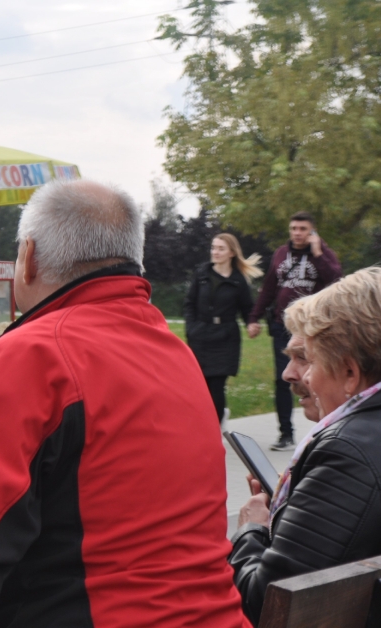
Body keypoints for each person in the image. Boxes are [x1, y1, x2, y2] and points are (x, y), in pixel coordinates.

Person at [0, 180, 248, 627]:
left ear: (29, 256)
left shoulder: (29, 356)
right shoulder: (176, 355)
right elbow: (86, 462)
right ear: (134, 259)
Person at [230, 267, 381, 626]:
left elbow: (264, 602)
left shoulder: (345, 453)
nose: (300, 376)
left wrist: (251, 529)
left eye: (311, 360)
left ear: (350, 373)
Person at [247, 212, 341, 450]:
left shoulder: (324, 254)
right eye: (294, 228)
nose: (297, 233)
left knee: (317, 378)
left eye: (303, 229)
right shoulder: (281, 253)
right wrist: (254, 317)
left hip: (312, 328)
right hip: (282, 325)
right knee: (284, 379)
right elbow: (269, 287)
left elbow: (335, 281)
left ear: (312, 231)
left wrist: (317, 253)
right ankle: (286, 434)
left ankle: (326, 427)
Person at [184, 233, 262, 423]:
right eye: (213, 247)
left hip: (225, 339)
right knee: (201, 386)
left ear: (231, 253)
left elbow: (247, 308)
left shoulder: (238, 280)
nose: (215, 252)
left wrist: (252, 323)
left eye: (221, 248)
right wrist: (191, 328)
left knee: (217, 385)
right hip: (200, 336)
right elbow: (189, 303)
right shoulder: (201, 274)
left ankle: (215, 428)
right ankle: (202, 426)